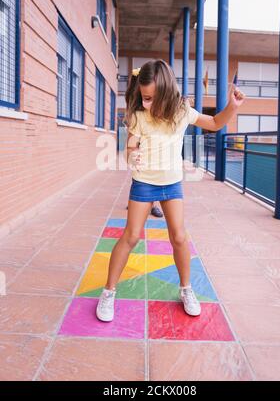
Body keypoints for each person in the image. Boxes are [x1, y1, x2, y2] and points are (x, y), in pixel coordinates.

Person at [97, 59, 245, 322]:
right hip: (144, 182)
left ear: (166, 94)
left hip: (172, 183)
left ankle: (186, 290)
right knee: (130, 236)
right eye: (144, 98)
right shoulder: (139, 117)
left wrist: (231, 108)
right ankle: (109, 292)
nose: (146, 103)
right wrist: (132, 156)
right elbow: (131, 147)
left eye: (151, 98)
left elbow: (213, 123)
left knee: (179, 237)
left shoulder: (182, 113)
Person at [125, 68, 164, 218]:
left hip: (148, 134)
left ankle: (151, 203)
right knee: (141, 172)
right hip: (139, 133)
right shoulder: (134, 98)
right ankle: (139, 201)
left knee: (147, 170)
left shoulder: (150, 93)